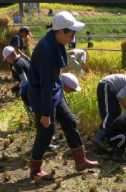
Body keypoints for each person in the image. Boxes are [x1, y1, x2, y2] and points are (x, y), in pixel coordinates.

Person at [28, 11, 98, 180]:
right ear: (60, 32)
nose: (73, 37)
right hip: (42, 95)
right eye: (72, 33)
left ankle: (81, 161)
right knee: (46, 131)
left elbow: (52, 79)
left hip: (54, 92)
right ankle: (35, 170)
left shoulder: (57, 44)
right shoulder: (45, 49)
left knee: (70, 120)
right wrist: (46, 112)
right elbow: (44, 82)